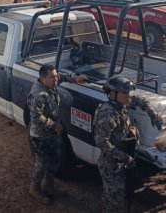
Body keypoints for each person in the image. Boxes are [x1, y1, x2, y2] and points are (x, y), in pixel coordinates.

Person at [93, 76, 163, 213]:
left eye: (128, 93)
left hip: (121, 158)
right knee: (116, 201)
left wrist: (152, 114)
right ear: (113, 94)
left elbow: (140, 100)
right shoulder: (108, 114)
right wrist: (125, 158)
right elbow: (101, 142)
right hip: (111, 164)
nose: (128, 96)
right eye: (124, 93)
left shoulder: (121, 104)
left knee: (112, 194)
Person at [27, 64, 88, 205]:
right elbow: (36, 119)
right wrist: (54, 125)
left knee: (55, 160)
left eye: (56, 76)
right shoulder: (39, 95)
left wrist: (75, 78)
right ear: (42, 79)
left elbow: (63, 75)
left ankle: (49, 186)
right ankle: (34, 188)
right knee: (42, 163)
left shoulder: (50, 83)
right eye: (52, 77)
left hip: (54, 134)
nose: (56, 79)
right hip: (41, 136)